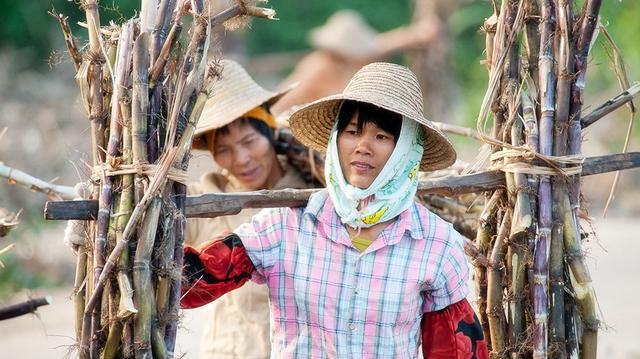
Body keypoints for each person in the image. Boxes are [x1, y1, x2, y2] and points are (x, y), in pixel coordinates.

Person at [182, 62, 488, 358]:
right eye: (352, 132)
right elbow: (194, 281)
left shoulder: (435, 243)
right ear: (335, 139)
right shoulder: (283, 225)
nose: (362, 147)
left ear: (406, 150)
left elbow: (456, 349)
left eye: (381, 137)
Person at [186, 59, 309, 358]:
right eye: (224, 150)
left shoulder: (308, 196)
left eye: (249, 141)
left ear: (270, 133)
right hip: (227, 351)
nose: (241, 159)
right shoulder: (206, 199)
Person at [269, 9, 440, 116]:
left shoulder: (354, 60)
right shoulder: (318, 68)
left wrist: (417, 34)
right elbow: (280, 102)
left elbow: (382, 45)